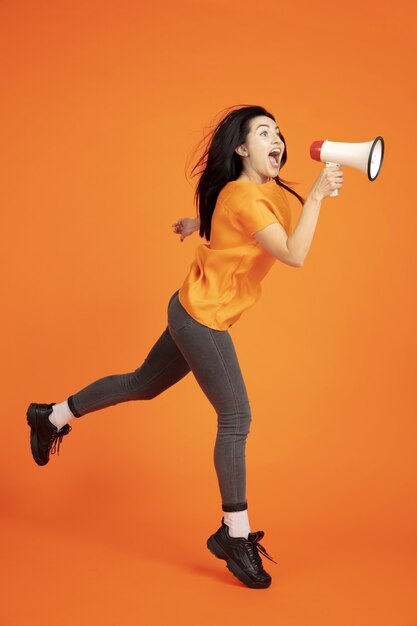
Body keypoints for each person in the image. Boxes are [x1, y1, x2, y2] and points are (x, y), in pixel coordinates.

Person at [26, 104, 343, 589]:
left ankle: (51, 416)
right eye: (263, 133)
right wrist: (319, 195)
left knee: (140, 384)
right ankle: (233, 536)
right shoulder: (246, 196)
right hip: (203, 321)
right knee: (236, 417)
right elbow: (294, 254)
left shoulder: (256, 191)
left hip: (189, 307)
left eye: (278, 132)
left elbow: (231, 215)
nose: (276, 139)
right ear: (241, 148)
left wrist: (199, 224)